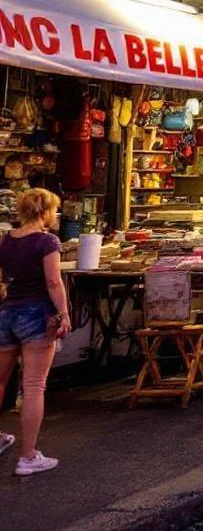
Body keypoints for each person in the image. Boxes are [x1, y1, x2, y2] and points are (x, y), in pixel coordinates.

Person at [0, 189, 69, 476]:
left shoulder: (6, 240)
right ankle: (28, 456)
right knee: (34, 386)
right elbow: (53, 281)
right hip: (36, 315)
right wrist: (64, 313)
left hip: (6, 314)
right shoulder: (47, 241)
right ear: (46, 212)